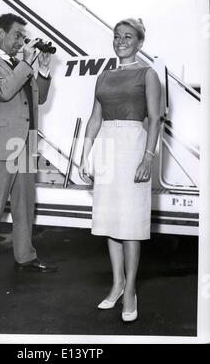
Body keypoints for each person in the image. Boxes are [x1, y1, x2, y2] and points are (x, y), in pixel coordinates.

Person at [79, 18, 161, 321]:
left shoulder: (148, 74)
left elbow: (155, 119)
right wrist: (84, 155)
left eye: (128, 37)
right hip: (107, 147)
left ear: (139, 42)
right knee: (110, 221)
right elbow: (94, 118)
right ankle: (116, 285)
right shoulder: (104, 76)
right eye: (117, 36)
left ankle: (130, 292)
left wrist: (147, 157)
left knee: (130, 225)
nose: (121, 41)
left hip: (133, 146)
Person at [0, 13, 58, 290]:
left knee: (25, 207)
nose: (22, 41)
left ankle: (25, 257)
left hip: (26, 144)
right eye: (18, 35)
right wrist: (26, 63)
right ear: (1, 34)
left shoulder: (22, 65)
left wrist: (42, 70)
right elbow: (4, 90)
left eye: (24, 36)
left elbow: (39, 98)